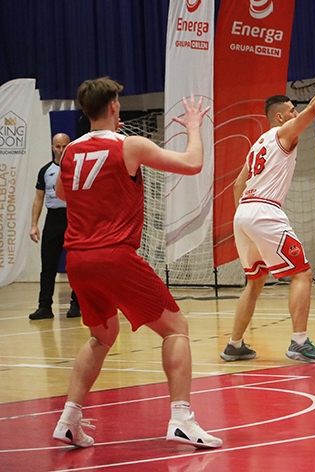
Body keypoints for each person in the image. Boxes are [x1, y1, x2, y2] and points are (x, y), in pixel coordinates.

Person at [53, 79, 221, 448]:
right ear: (114, 106)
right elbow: (192, 163)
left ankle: (69, 418)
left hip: (78, 259)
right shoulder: (129, 145)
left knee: (101, 336)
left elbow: (63, 192)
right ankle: (181, 418)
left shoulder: (70, 153)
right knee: (176, 328)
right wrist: (193, 127)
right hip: (113, 254)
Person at [221, 55, 315, 363]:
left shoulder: (257, 144)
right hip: (264, 211)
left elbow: (235, 187)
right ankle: (299, 341)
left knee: (254, 282)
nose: (298, 114)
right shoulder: (284, 134)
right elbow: (314, 108)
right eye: (292, 111)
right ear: (280, 118)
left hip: (243, 213)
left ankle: (234, 344)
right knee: (303, 274)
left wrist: (244, 222)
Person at [28, 133, 80, 320]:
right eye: (57, 146)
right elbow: (38, 198)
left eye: (64, 146)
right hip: (52, 220)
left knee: (76, 265)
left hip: (73, 219)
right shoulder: (45, 171)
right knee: (48, 265)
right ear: (52, 147)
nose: (61, 150)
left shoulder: (77, 169)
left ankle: (77, 305)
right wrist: (34, 225)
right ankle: (44, 306)